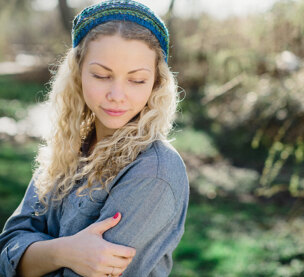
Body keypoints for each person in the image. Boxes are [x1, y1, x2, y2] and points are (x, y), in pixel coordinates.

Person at [0, 1, 189, 276]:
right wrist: (64, 252)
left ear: (156, 84)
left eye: (136, 80)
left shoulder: (155, 172)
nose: (117, 94)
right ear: (77, 75)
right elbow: (8, 245)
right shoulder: (67, 148)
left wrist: (35, 255)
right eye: (101, 75)